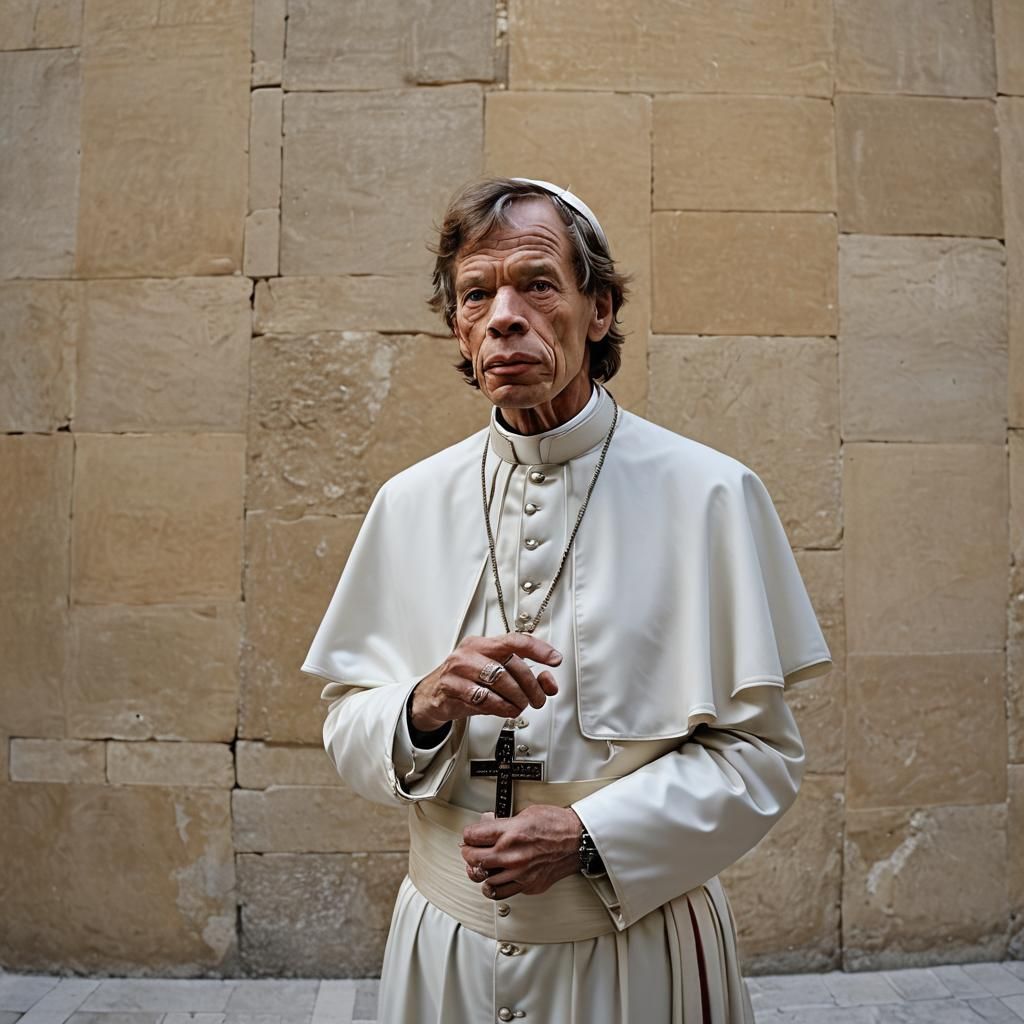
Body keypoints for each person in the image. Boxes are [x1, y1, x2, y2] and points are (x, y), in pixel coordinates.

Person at [302, 176, 832, 1023]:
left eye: (537, 284)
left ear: (600, 310)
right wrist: (421, 709)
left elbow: (761, 758)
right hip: (447, 954)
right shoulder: (409, 503)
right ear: (459, 328)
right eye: (477, 294)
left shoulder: (712, 496)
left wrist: (590, 838)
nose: (504, 314)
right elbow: (344, 724)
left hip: (639, 956)